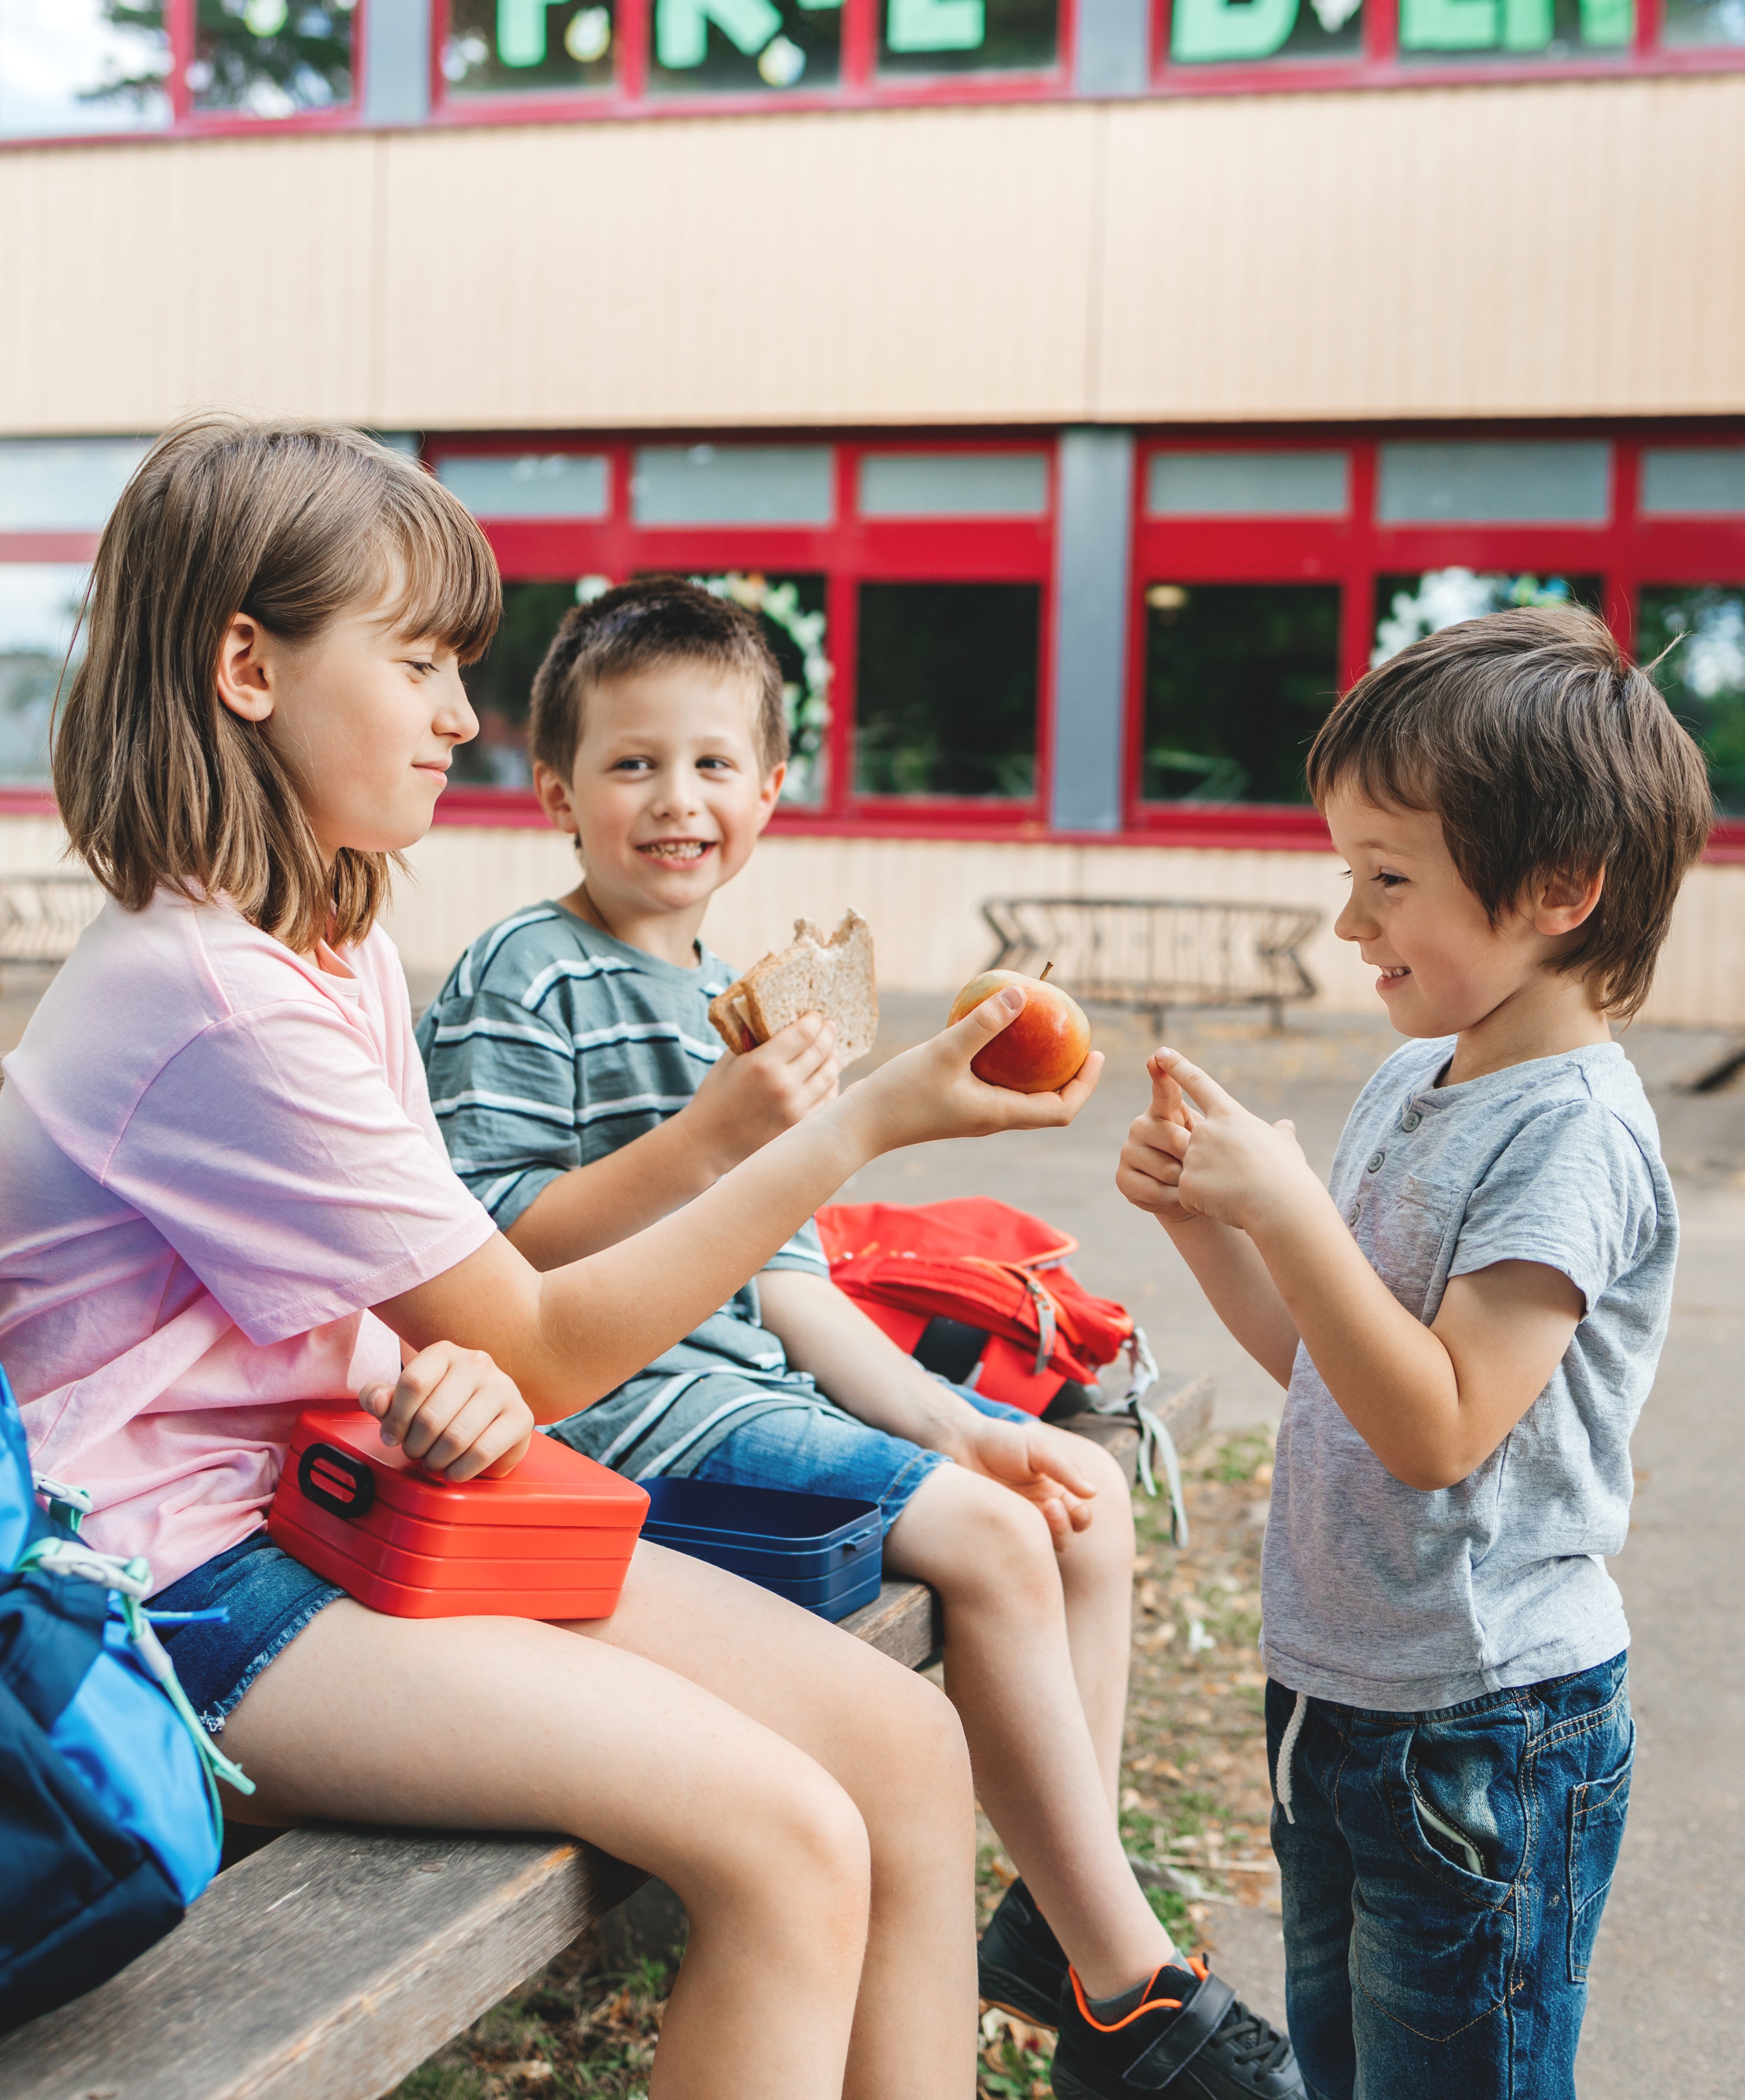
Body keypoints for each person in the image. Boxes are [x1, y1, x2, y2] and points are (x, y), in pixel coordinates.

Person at [0, 416, 1105, 2100]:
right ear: (246, 666)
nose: (460, 716)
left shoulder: (331, 935)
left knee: (906, 1750)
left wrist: (451, 1373)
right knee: (785, 1838)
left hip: (349, 1498)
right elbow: (548, 1336)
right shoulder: (213, 993)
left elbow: (464, 1326)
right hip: (167, 1589)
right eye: (418, 659)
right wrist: (853, 1126)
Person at [418, 578, 1302, 2100]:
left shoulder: (741, 999)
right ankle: (1128, 1983)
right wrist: (710, 1141)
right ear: (557, 792)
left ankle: (1050, 1918)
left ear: (770, 791)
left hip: (746, 1408)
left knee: (1067, 1511)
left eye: (711, 765)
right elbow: (489, 1247)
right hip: (615, 1429)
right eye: (631, 766)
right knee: (997, 1545)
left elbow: (796, 1284)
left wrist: (961, 1425)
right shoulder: (526, 971)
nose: (674, 800)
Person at [1115, 603, 1712, 2100]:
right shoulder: (1412, 1077)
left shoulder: (1574, 1137)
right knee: (1345, 2069)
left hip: (1486, 1729)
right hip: (1345, 1698)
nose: (1349, 923)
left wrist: (1293, 1208)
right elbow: (1338, 1376)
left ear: (1562, 889)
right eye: (1346, 875)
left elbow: (1442, 1427)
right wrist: (1211, 1222)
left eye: (1389, 881)